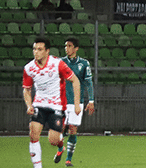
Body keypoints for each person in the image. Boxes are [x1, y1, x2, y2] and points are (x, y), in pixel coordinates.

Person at [23, 36, 81, 167]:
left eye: (39, 49)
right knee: (33, 134)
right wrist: (29, 105)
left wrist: (77, 104)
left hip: (57, 107)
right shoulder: (29, 68)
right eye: (34, 49)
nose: (36, 52)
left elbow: (75, 81)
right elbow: (26, 89)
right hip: (39, 105)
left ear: (47, 51)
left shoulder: (57, 64)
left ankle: (60, 146)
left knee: (53, 140)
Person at [61, 38, 95, 167]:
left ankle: (68, 159)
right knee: (60, 129)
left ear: (76, 48)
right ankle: (60, 149)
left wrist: (91, 100)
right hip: (62, 102)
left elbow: (88, 83)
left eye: (69, 46)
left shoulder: (84, 64)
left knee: (73, 129)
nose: (66, 48)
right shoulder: (61, 62)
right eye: (65, 46)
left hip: (77, 102)